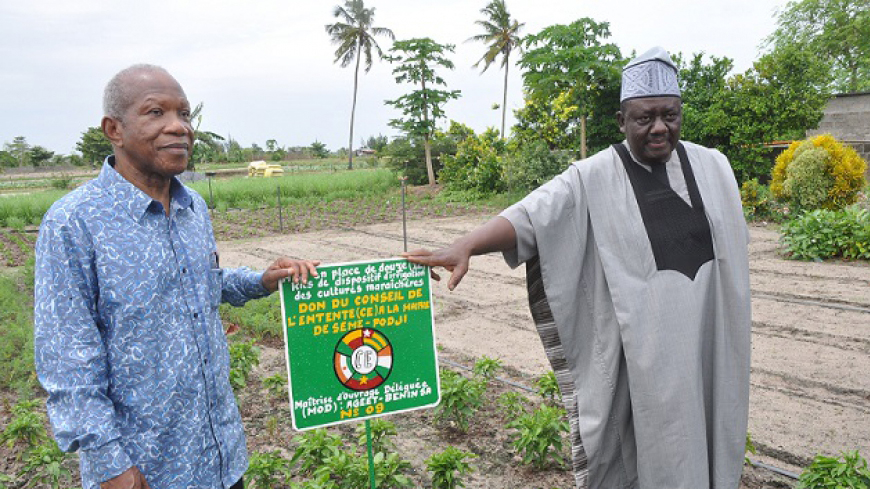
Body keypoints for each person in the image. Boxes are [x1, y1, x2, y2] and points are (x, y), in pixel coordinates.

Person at [404, 47, 751, 489]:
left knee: (708, 442)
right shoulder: (592, 177)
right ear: (622, 120)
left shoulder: (714, 168)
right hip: (641, 365)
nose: (660, 127)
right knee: (650, 457)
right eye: (645, 118)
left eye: (670, 115)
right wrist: (468, 244)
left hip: (707, 346)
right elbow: (534, 215)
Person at [34, 64, 319, 489]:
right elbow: (67, 360)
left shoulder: (192, 209)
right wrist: (112, 466)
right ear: (114, 129)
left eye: (184, 114)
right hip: (144, 470)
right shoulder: (73, 222)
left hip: (220, 456)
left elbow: (202, 282)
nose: (179, 127)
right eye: (156, 113)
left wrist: (261, 280)